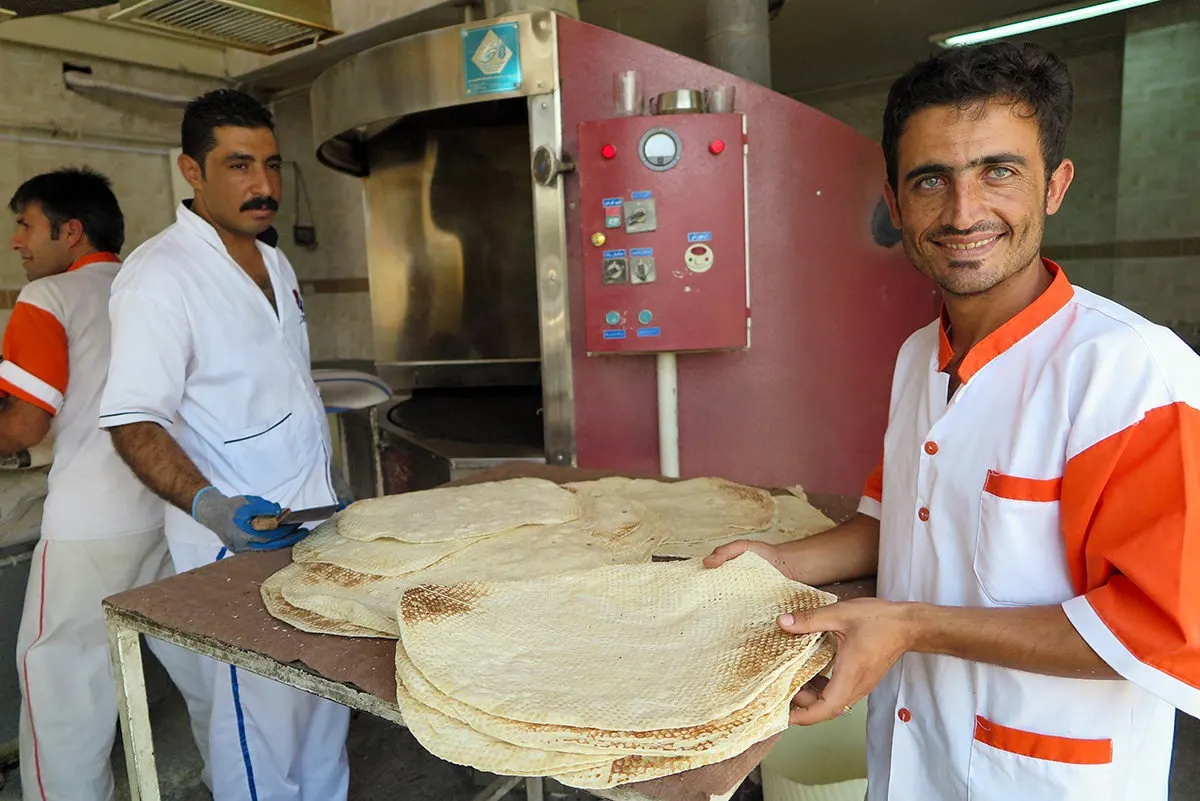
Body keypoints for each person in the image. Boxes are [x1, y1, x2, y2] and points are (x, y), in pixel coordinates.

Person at [708, 41, 1200, 801]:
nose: (964, 212)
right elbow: (899, 518)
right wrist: (779, 562)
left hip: (1044, 777)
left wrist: (909, 625)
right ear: (896, 202)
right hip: (914, 761)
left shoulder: (1132, 374)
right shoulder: (916, 356)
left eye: (999, 170)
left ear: (1055, 186)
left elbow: (1166, 628)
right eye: (931, 179)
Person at [98, 89, 351, 801]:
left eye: (270, 164)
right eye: (238, 165)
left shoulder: (276, 265)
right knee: (259, 723)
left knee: (323, 707)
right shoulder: (160, 275)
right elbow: (132, 418)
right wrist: (211, 506)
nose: (264, 185)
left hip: (312, 526)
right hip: (236, 543)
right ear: (191, 171)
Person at [3, 168, 208, 801]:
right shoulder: (153, 286)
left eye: (26, 225)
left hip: (90, 524)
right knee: (198, 660)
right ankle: (227, 778)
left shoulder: (49, 299)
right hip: (173, 505)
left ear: (71, 230)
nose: (17, 242)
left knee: (63, 679)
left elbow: (25, 422)